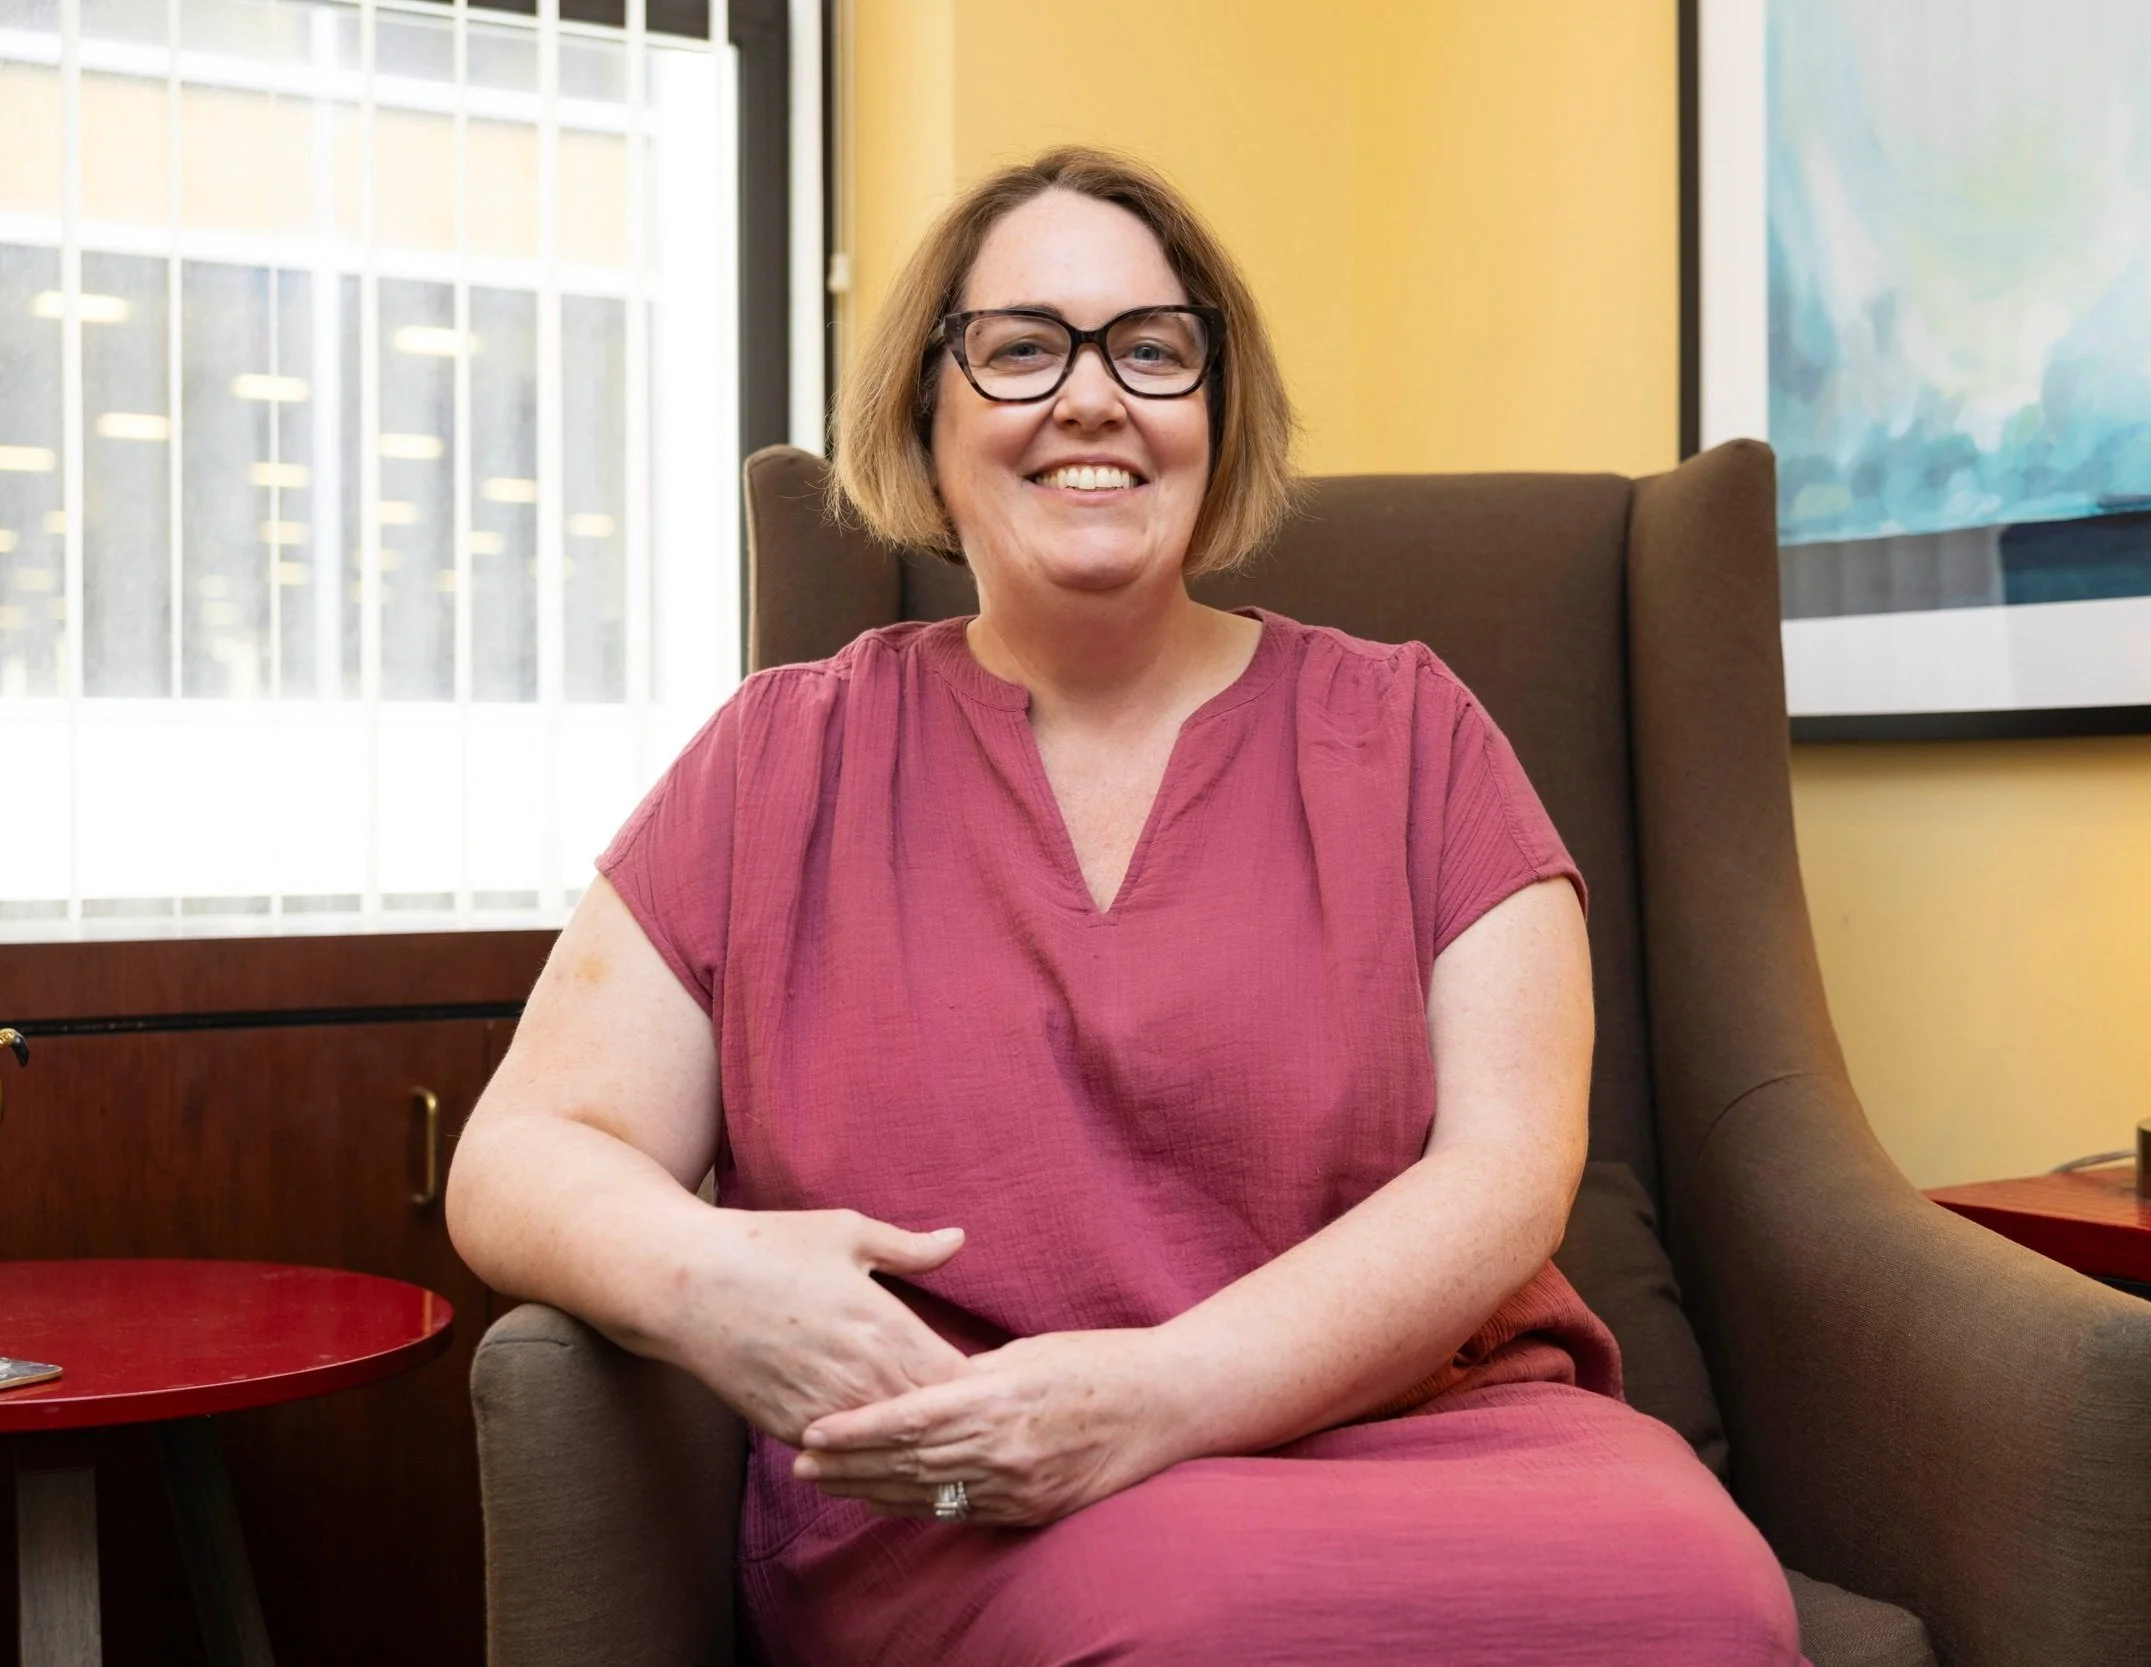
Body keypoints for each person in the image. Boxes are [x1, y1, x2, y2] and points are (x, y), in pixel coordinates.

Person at [447, 145, 1803, 1665]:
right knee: (1195, 1627)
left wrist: (1159, 1396)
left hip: (1437, 1428)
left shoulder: (1414, 733)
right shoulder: (778, 759)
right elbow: (518, 1154)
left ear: (1214, 417)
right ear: (926, 411)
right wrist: (707, 1280)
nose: (1090, 397)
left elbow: (1506, 1173)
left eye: (1151, 350)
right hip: (985, 1488)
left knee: (1707, 1600)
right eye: (1020, 347)